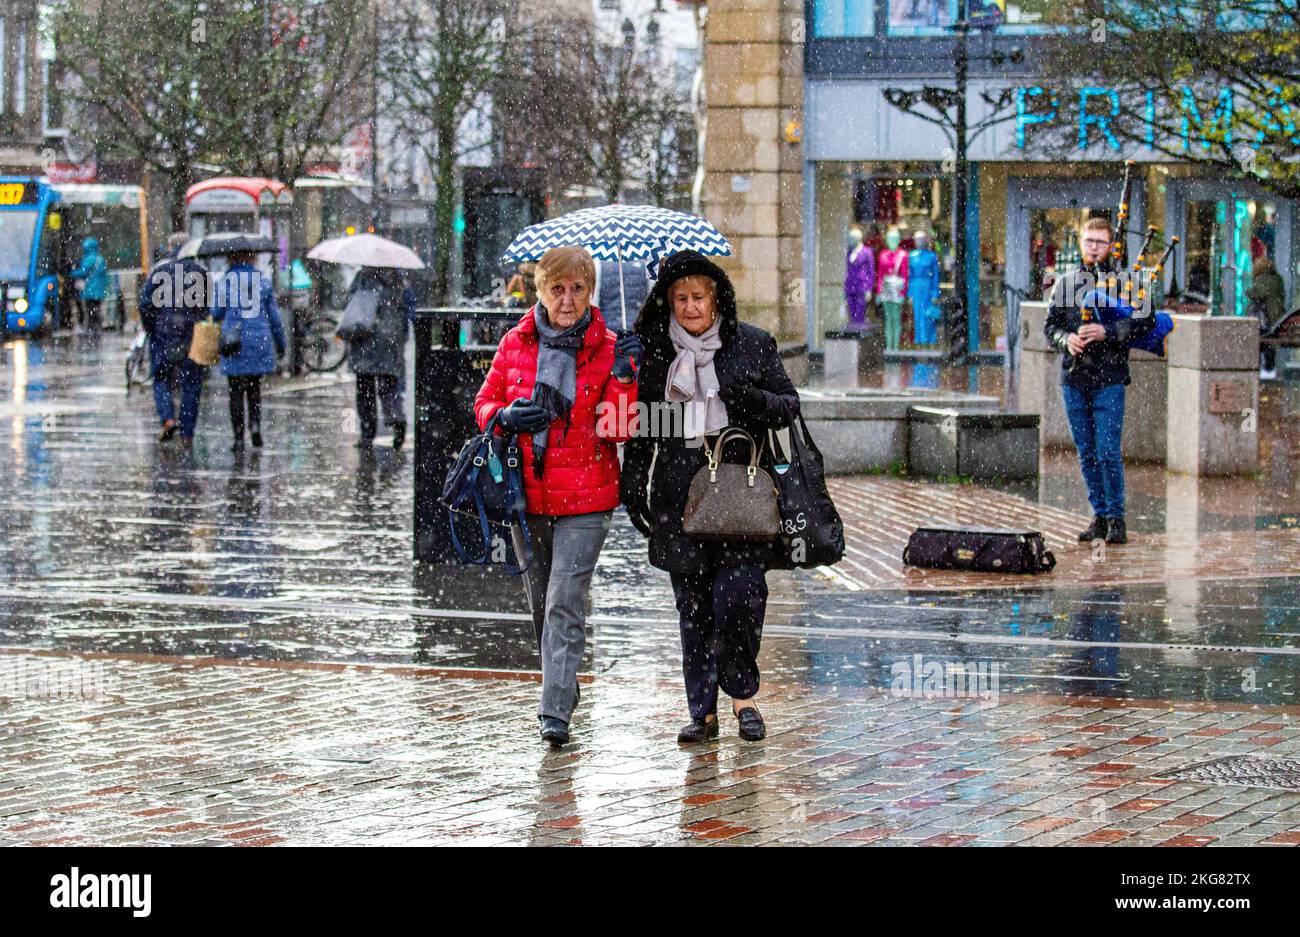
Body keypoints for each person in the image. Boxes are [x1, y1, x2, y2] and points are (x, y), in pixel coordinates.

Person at [622, 250, 799, 744]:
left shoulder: (753, 345)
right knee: (694, 607)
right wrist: (633, 479)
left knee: (738, 597)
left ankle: (743, 698)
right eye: (680, 298)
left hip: (741, 495)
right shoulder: (657, 356)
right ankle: (702, 712)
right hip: (679, 496)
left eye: (698, 297)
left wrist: (750, 401)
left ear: (717, 297)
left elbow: (789, 407)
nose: (690, 307)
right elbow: (646, 427)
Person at [474, 246, 641, 747]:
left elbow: (619, 430)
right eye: (557, 289)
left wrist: (627, 378)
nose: (567, 301)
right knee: (540, 604)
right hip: (526, 496)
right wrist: (503, 418)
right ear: (540, 290)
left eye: (577, 289)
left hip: (588, 496)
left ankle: (554, 713)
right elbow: (485, 402)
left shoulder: (610, 347)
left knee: (565, 601)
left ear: (591, 292)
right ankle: (563, 686)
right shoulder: (515, 341)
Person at [1044, 216, 1154, 545]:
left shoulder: (1126, 281)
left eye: (1100, 242)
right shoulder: (1065, 283)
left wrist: (1108, 331)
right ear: (1081, 243)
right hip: (1075, 376)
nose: (1093, 248)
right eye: (1088, 241)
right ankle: (1099, 515)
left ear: (1111, 245)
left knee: (1107, 450)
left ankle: (1116, 518)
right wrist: (1067, 340)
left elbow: (1146, 320)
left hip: (1110, 376)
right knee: (1087, 451)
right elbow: (1050, 327)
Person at [138, 233, 210, 448]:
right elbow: (208, 306)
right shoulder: (199, 273)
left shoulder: (161, 272)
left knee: (161, 378)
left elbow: (145, 305)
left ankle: (168, 418)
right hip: (190, 336)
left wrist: (152, 327)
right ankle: (187, 433)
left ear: (170, 248)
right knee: (191, 384)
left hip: (163, 335)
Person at [212, 250, 286, 452]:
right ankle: (255, 428)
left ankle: (238, 437)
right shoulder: (262, 282)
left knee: (235, 391)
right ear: (252, 258)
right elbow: (275, 319)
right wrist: (281, 343)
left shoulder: (225, 282)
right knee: (254, 389)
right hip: (258, 341)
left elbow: (216, 313)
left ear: (230, 258)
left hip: (233, 341)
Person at [347, 267, 416, 450]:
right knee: (389, 386)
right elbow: (410, 308)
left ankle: (367, 435)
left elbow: (350, 305)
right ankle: (397, 419)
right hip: (390, 340)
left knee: (365, 391)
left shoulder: (362, 278)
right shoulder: (397, 279)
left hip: (365, 339)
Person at [1246, 254, 1286, 379]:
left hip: (1269, 319)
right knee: (1267, 339)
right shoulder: (1278, 279)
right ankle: (1269, 368)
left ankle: (1262, 367)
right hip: (1279, 319)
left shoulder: (1263, 279)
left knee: (1259, 338)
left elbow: (1258, 294)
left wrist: (1248, 292)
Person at [908, 230, 941, 346]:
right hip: (917, 287)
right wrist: (910, 293)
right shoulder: (911, 256)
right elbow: (910, 276)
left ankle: (930, 339)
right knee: (918, 314)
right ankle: (920, 339)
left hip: (927, 286)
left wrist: (935, 293)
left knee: (928, 314)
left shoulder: (931, 256)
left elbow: (936, 276)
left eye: (921, 239)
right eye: (917, 239)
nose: (919, 241)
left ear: (925, 240)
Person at [70, 236, 109, 332]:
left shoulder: (89, 259)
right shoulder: (100, 258)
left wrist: (71, 273)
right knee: (96, 309)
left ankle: (92, 329)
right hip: (99, 290)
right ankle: (97, 327)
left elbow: (83, 272)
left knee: (90, 310)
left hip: (90, 290)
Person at [844, 226, 875, 331]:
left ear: (858, 238)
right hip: (850, 286)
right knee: (851, 311)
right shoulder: (849, 252)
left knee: (860, 311)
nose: (850, 240)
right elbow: (848, 270)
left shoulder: (867, 252)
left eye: (852, 238)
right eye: (849, 238)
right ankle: (854, 332)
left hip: (861, 286)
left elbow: (871, 271)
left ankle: (859, 332)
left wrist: (869, 288)